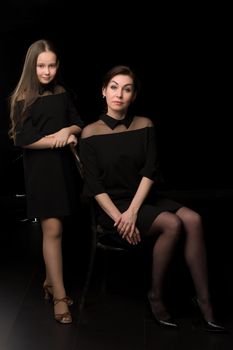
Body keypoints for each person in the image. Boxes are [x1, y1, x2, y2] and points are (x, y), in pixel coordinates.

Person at [79, 65, 226, 332]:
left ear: (134, 95)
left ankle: (204, 301)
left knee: (194, 219)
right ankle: (156, 296)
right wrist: (120, 217)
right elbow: (94, 186)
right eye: (113, 87)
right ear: (103, 91)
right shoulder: (90, 133)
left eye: (127, 89)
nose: (119, 94)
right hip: (113, 206)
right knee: (172, 224)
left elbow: (150, 171)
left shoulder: (145, 124)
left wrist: (134, 211)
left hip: (143, 198)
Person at [9, 39, 84, 324]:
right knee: (52, 229)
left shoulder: (63, 92)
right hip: (40, 172)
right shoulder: (22, 98)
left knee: (61, 227)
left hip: (63, 169)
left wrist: (68, 130)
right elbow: (24, 140)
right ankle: (60, 297)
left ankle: (50, 281)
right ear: (32, 67)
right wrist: (57, 140)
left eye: (52, 65)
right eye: (41, 66)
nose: (47, 71)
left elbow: (78, 122)